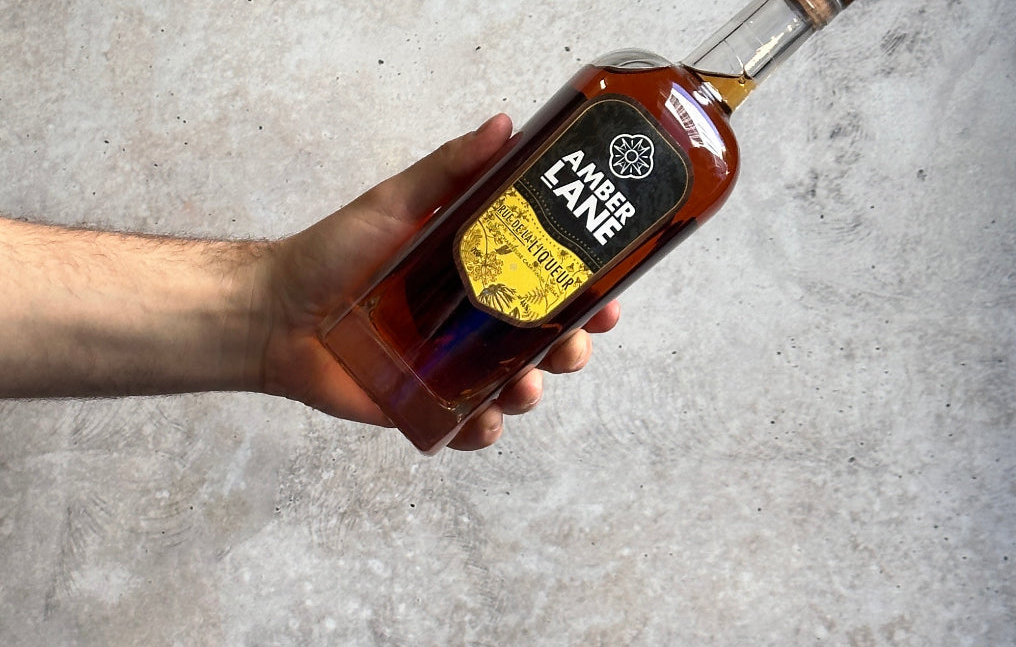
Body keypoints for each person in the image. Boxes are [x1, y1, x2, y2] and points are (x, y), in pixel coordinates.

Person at [0, 114, 620, 451]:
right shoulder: (625, 85)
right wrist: (270, 309)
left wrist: (271, 310)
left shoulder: (674, 124)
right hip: (364, 314)